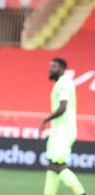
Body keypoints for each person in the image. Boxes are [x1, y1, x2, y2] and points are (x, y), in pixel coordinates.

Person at [39, 58, 86, 195]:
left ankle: (81, 193)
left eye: (54, 66)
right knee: (52, 166)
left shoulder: (64, 83)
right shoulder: (60, 83)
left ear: (62, 69)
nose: (50, 69)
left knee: (59, 165)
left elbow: (63, 106)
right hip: (58, 130)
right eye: (50, 66)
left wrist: (46, 119)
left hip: (63, 131)